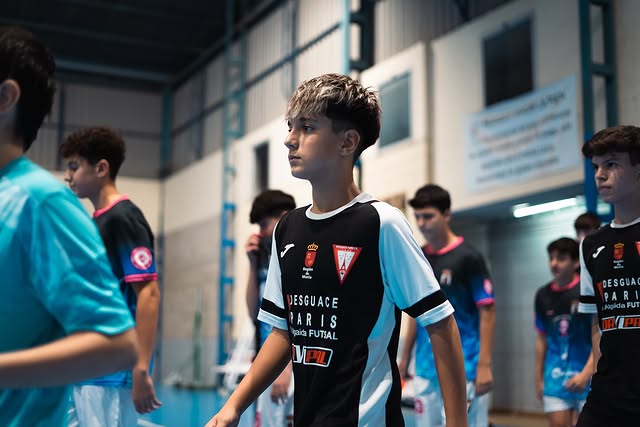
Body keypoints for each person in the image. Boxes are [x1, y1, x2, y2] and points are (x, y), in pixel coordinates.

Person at [206, 73, 468, 427]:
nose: (289, 139)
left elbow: (440, 323)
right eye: (290, 126)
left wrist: (457, 422)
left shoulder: (381, 223)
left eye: (307, 127)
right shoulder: (288, 229)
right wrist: (234, 405)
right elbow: (283, 332)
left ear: (347, 142)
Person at [0, 26, 138, 427]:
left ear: (6, 97)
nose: (70, 175)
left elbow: (118, 342)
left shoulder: (41, 202)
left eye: (77, 166)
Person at [60, 126, 162, 426]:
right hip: (86, 365)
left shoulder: (123, 218)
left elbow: (148, 294)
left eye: (74, 167)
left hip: (112, 372)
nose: (68, 176)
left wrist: (141, 367)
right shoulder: (95, 222)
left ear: (101, 168)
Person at [398, 184, 496, 427]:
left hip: (465, 366)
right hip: (425, 368)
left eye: (428, 216)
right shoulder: (418, 257)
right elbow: (416, 314)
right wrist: (404, 359)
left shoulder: (469, 257)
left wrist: (484, 365)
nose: (422, 223)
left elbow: (487, 312)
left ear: (446, 214)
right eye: (418, 217)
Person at [576, 125, 640, 426]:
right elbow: (597, 322)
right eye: (596, 167)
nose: (600, 175)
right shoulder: (590, 245)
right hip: (607, 397)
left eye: (611, 164)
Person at [246, 189, 296, 426]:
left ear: (283, 217)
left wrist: (285, 369)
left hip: (288, 368)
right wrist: (252, 263)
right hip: (266, 364)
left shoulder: (300, 255)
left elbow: (300, 318)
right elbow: (253, 314)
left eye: (265, 225)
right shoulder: (266, 256)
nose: (261, 233)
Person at [535, 237, 593, 427]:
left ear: (575, 262)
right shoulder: (542, 295)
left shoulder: (586, 290)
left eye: (561, 258)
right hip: (554, 379)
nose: (554, 264)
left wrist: (586, 373)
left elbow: (599, 335)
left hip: (587, 378)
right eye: (551, 258)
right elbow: (541, 339)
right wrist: (539, 379)